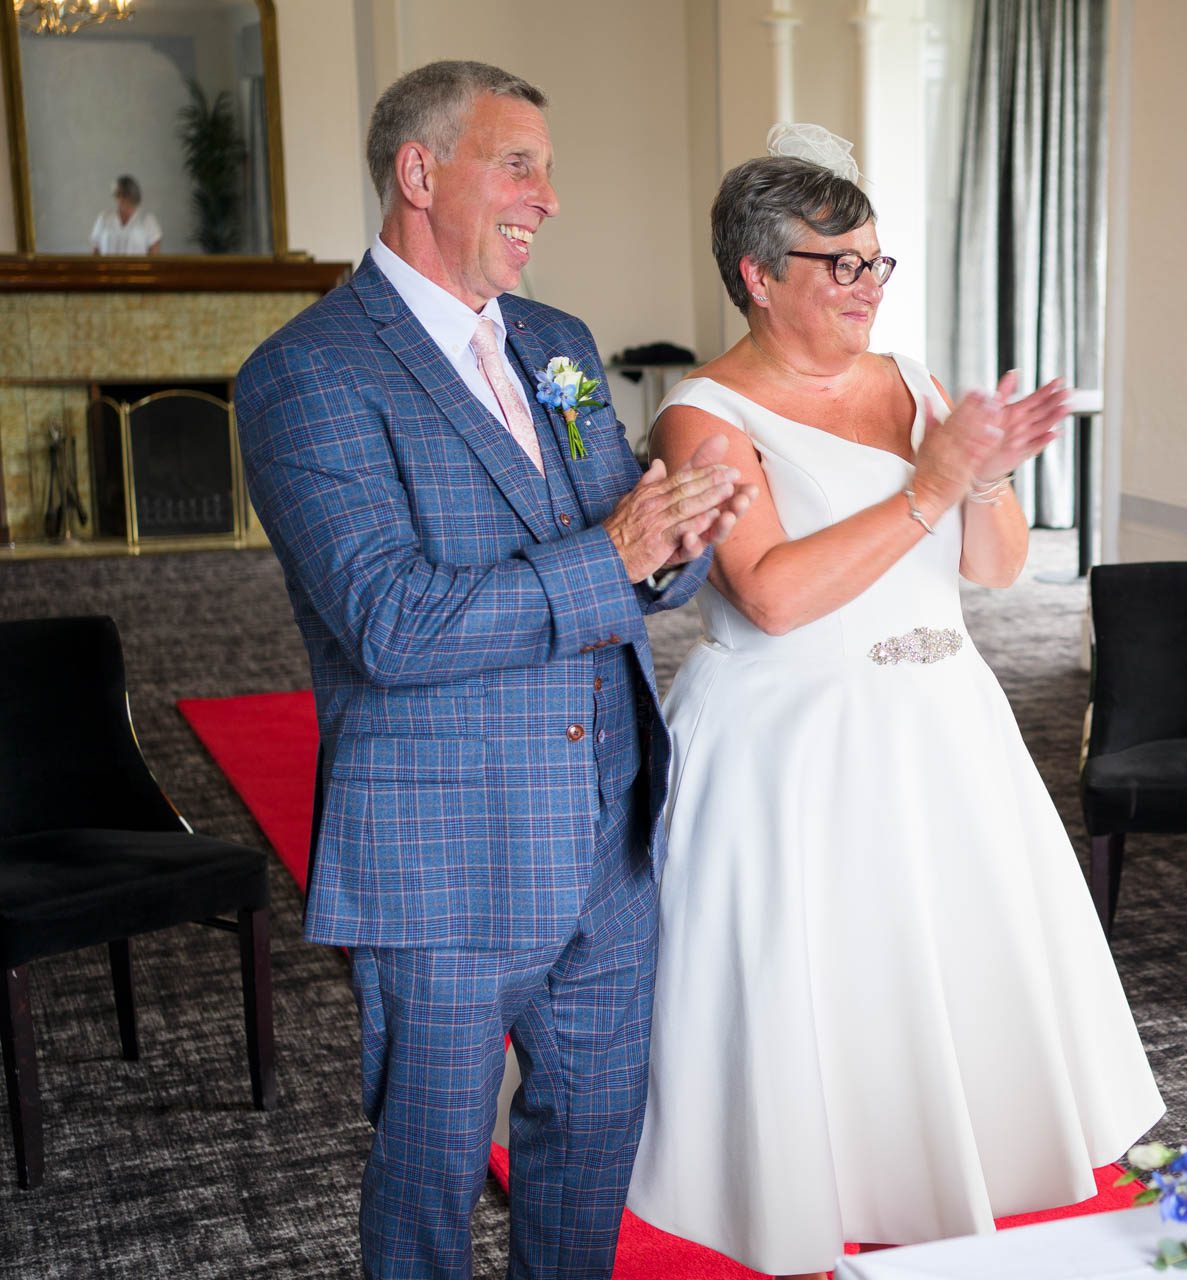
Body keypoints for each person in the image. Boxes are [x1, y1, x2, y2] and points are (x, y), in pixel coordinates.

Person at [235, 61, 753, 1278]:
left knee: (588, 1149)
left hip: (611, 838)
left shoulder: (557, 344)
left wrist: (681, 539)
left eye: (546, 170)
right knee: (429, 1175)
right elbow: (392, 621)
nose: (548, 198)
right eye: (518, 165)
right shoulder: (306, 373)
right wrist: (619, 547)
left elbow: (620, 551)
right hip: (443, 858)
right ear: (421, 173)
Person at [625, 129, 1165, 1280]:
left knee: (952, 959)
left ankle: (947, 1166)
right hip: (796, 737)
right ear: (759, 276)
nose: (870, 287)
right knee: (822, 979)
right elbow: (769, 595)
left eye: (879, 262)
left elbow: (1000, 569)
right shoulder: (702, 417)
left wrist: (988, 470)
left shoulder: (909, 380)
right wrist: (931, 481)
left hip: (943, 719)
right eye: (843, 265)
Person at [89, 175, 162, 255]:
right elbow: (95, 252)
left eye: (124, 195)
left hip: (138, 267)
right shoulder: (104, 218)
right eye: (117, 194)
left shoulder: (148, 220)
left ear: (133, 194)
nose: (120, 199)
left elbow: (154, 255)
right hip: (107, 267)